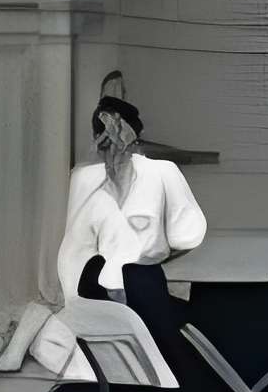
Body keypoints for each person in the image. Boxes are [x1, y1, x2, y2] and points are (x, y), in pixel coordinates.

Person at [51, 93, 209, 310]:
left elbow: (188, 235)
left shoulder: (161, 173)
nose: (114, 148)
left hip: (129, 290)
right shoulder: (82, 178)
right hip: (92, 294)